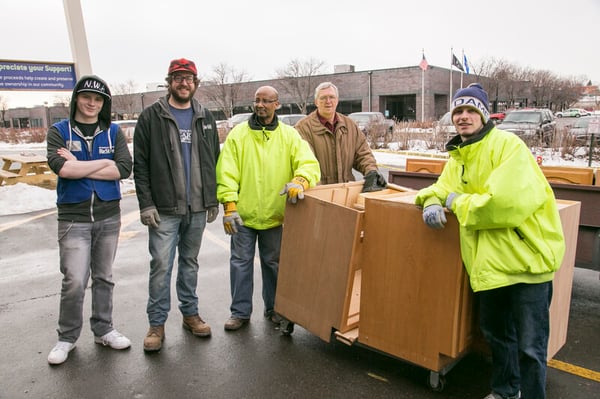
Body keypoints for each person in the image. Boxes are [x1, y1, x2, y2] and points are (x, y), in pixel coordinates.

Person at [414, 83, 565, 399]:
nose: (464, 117)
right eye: (458, 111)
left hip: (526, 263)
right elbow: (441, 187)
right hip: (490, 267)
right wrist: (429, 201)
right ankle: (505, 390)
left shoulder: (508, 146)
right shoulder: (459, 156)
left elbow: (503, 205)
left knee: (530, 348)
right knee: (498, 337)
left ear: (484, 114)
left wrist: (456, 202)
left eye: (471, 111)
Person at [133, 58, 221, 352]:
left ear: (196, 83)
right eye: (178, 78)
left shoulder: (205, 116)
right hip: (165, 210)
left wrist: (212, 199)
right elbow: (141, 165)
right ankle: (156, 324)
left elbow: (213, 162)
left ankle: (190, 314)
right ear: (169, 81)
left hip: (196, 208)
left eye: (189, 78)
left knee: (190, 264)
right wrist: (146, 204)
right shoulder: (151, 117)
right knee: (160, 266)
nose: (184, 83)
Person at [216, 85, 321, 331]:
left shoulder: (289, 135)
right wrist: (229, 205)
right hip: (243, 216)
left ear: (277, 104)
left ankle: (274, 309)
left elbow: (308, 163)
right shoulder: (239, 135)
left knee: (273, 264)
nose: (260, 105)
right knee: (240, 263)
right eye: (257, 100)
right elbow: (226, 171)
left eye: (266, 101)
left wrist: (301, 180)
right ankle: (240, 313)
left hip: (275, 216)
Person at [46, 75, 133, 365]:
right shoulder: (59, 131)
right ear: (76, 100)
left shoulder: (113, 132)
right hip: (74, 218)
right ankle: (67, 337)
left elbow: (122, 169)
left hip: (109, 215)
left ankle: (104, 329)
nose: (92, 104)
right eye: (87, 98)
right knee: (73, 280)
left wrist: (80, 164)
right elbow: (63, 169)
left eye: (98, 100)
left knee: (104, 277)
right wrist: (102, 164)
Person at [294, 81, 386, 191]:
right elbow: (305, 163)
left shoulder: (349, 125)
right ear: (316, 102)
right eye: (323, 98)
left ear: (337, 100)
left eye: (332, 97)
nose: (328, 101)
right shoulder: (303, 128)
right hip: (318, 194)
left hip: (346, 192)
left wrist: (372, 171)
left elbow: (363, 154)